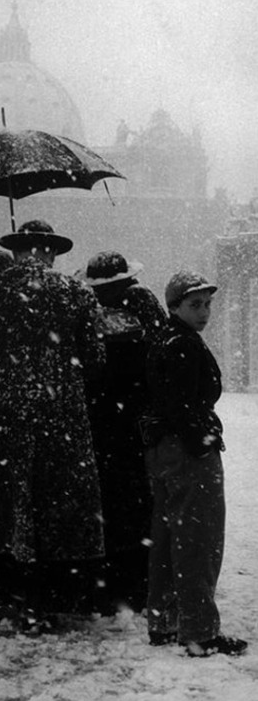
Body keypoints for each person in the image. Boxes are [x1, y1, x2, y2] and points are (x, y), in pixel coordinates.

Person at [0, 219, 106, 629]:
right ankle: (39, 601)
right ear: (51, 252)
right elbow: (95, 358)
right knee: (50, 506)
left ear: (14, 252)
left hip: (0, 417)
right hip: (57, 417)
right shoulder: (76, 293)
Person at [143, 270, 247, 657]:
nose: (205, 312)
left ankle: (164, 620)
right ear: (175, 307)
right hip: (187, 452)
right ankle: (199, 631)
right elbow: (181, 405)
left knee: (168, 536)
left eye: (207, 304)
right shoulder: (183, 345)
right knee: (198, 541)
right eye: (195, 305)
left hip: (165, 450)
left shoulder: (165, 340)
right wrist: (201, 442)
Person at [80, 251, 167, 614]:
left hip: (100, 424)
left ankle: (106, 586)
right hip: (134, 423)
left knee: (106, 505)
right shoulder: (143, 304)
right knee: (136, 503)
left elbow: (86, 365)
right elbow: (159, 356)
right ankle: (138, 584)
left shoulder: (87, 309)